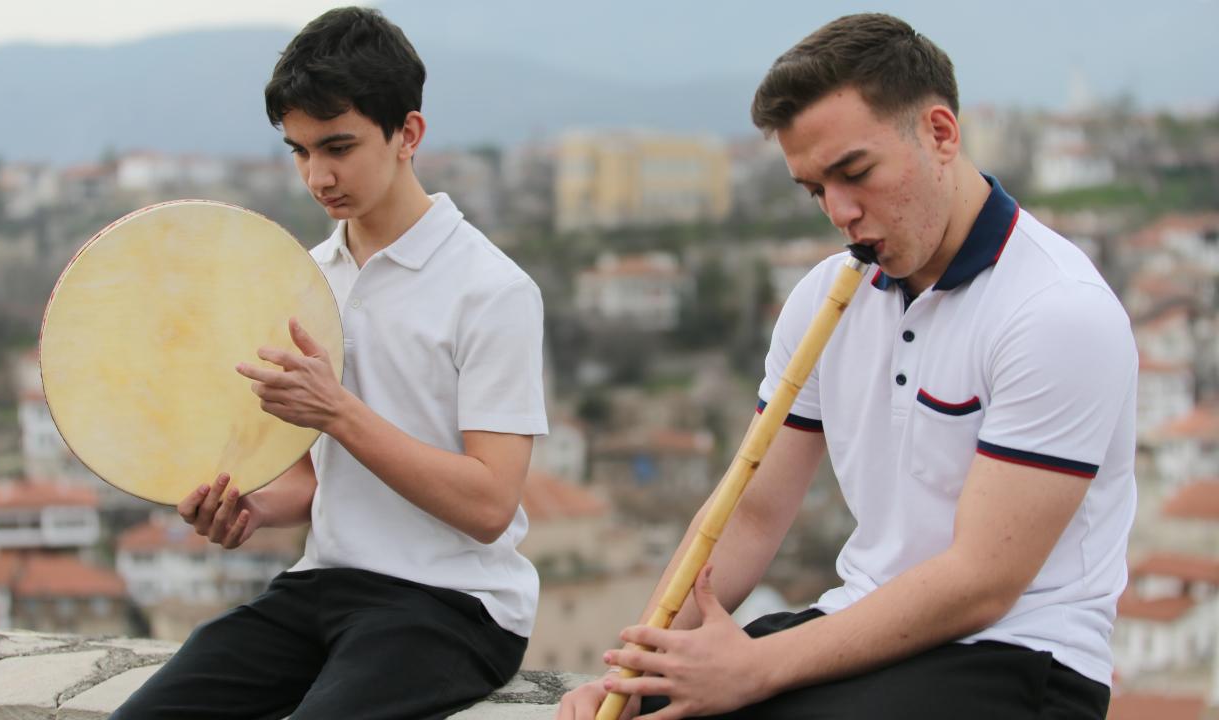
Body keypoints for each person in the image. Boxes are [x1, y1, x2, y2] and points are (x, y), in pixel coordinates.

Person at [559, 13, 1134, 720]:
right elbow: (752, 513)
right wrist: (635, 672)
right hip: (859, 625)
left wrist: (756, 668)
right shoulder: (822, 299)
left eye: (854, 173)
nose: (840, 212)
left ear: (941, 134)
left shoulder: (1057, 312)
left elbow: (982, 581)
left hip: (1019, 654)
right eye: (814, 190)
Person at [112, 7, 548, 719]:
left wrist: (339, 412)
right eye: (299, 150)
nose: (318, 176)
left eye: (338, 146)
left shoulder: (493, 290)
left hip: (455, 605)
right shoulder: (303, 278)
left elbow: (490, 507)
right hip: (323, 583)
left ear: (408, 134)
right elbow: (314, 481)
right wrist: (251, 506)